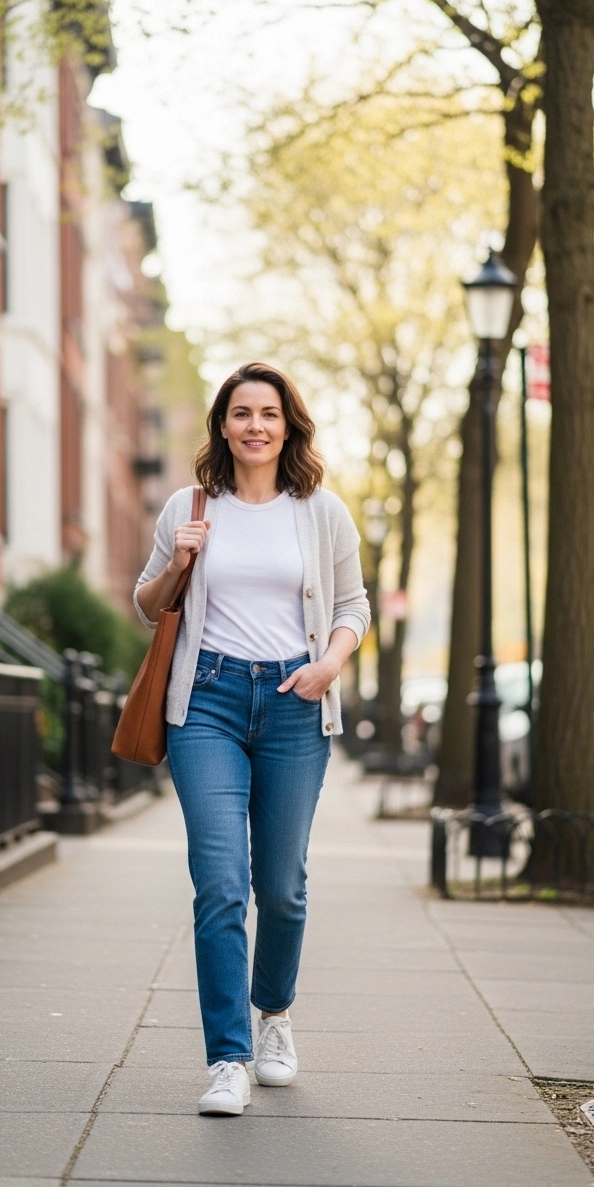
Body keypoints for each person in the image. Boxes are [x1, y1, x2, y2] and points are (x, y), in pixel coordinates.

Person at [135, 362, 370, 1115]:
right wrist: (177, 563)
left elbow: (354, 606)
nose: (256, 426)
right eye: (242, 413)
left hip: (295, 704)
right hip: (205, 701)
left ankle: (274, 1015)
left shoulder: (322, 512)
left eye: (269, 413)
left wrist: (328, 664)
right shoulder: (189, 506)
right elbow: (146, 605)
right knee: (222, 884)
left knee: (283, 889)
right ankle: (228, 1057)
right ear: (223, 426)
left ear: (288, 425)